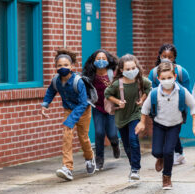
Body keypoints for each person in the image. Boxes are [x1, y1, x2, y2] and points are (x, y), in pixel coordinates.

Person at [135, 62, 195, 190]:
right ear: (158, 79)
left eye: (169, 77)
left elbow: (194, 106)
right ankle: (160, 158)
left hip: (175, 125)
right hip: (159, 124)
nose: (166, 81)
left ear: (175, 76)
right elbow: (145, 108)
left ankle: (167, 178)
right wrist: (142, 122)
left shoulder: (182, 92)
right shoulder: (154, 93)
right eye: (163, 78)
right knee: (156, 151)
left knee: (168, 151)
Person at [41, 49, 96, 181]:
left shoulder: (78, 81)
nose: (63, 68)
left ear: (72, 66)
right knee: (67, 136)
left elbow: (83, 103)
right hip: (68, 110)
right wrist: (45, 104)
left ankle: (89, 158)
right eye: (59, 65)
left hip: (83, 111)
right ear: (55, 67)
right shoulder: (56, 80)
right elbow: (51, 91)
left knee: (83, 138)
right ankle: (67, 168)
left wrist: (71, 119)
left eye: (66, 65)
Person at [104, 54, 151, 181]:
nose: (131, 71)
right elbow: (107, 94)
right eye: (128, 69)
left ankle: (136, 168)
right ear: (121, 70)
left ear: (137, 67)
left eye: (133, 68)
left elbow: (149, 88)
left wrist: (142, 99)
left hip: (135, 114)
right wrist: (118, 102)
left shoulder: (141, 80)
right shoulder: (117, 84)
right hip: (121, 117)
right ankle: (132, 166)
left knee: (133, 139)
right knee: (126, 144)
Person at [148, 43, 191, 165]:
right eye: (164, 56)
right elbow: (151, 90)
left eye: (170, 57)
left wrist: (186, 108)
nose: (167, 59)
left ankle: (175, 153)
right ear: (159, 56)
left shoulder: (181, 72)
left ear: (174, 58)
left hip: (177, 107)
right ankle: (177, 153)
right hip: (160, 108)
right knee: (166, 129)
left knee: (173, 129)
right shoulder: (154, 73)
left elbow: (188, 91)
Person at [82, 49, 120, 170]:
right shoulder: (90, 75)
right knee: (99, 133)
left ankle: (115, 144)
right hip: (97, 107)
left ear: (108, 60)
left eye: (103, 59)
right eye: (98, 59)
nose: (101, 61)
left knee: (112, 134)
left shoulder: (112, 73)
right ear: (93, 61)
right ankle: (99, 160)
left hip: (111, 108)